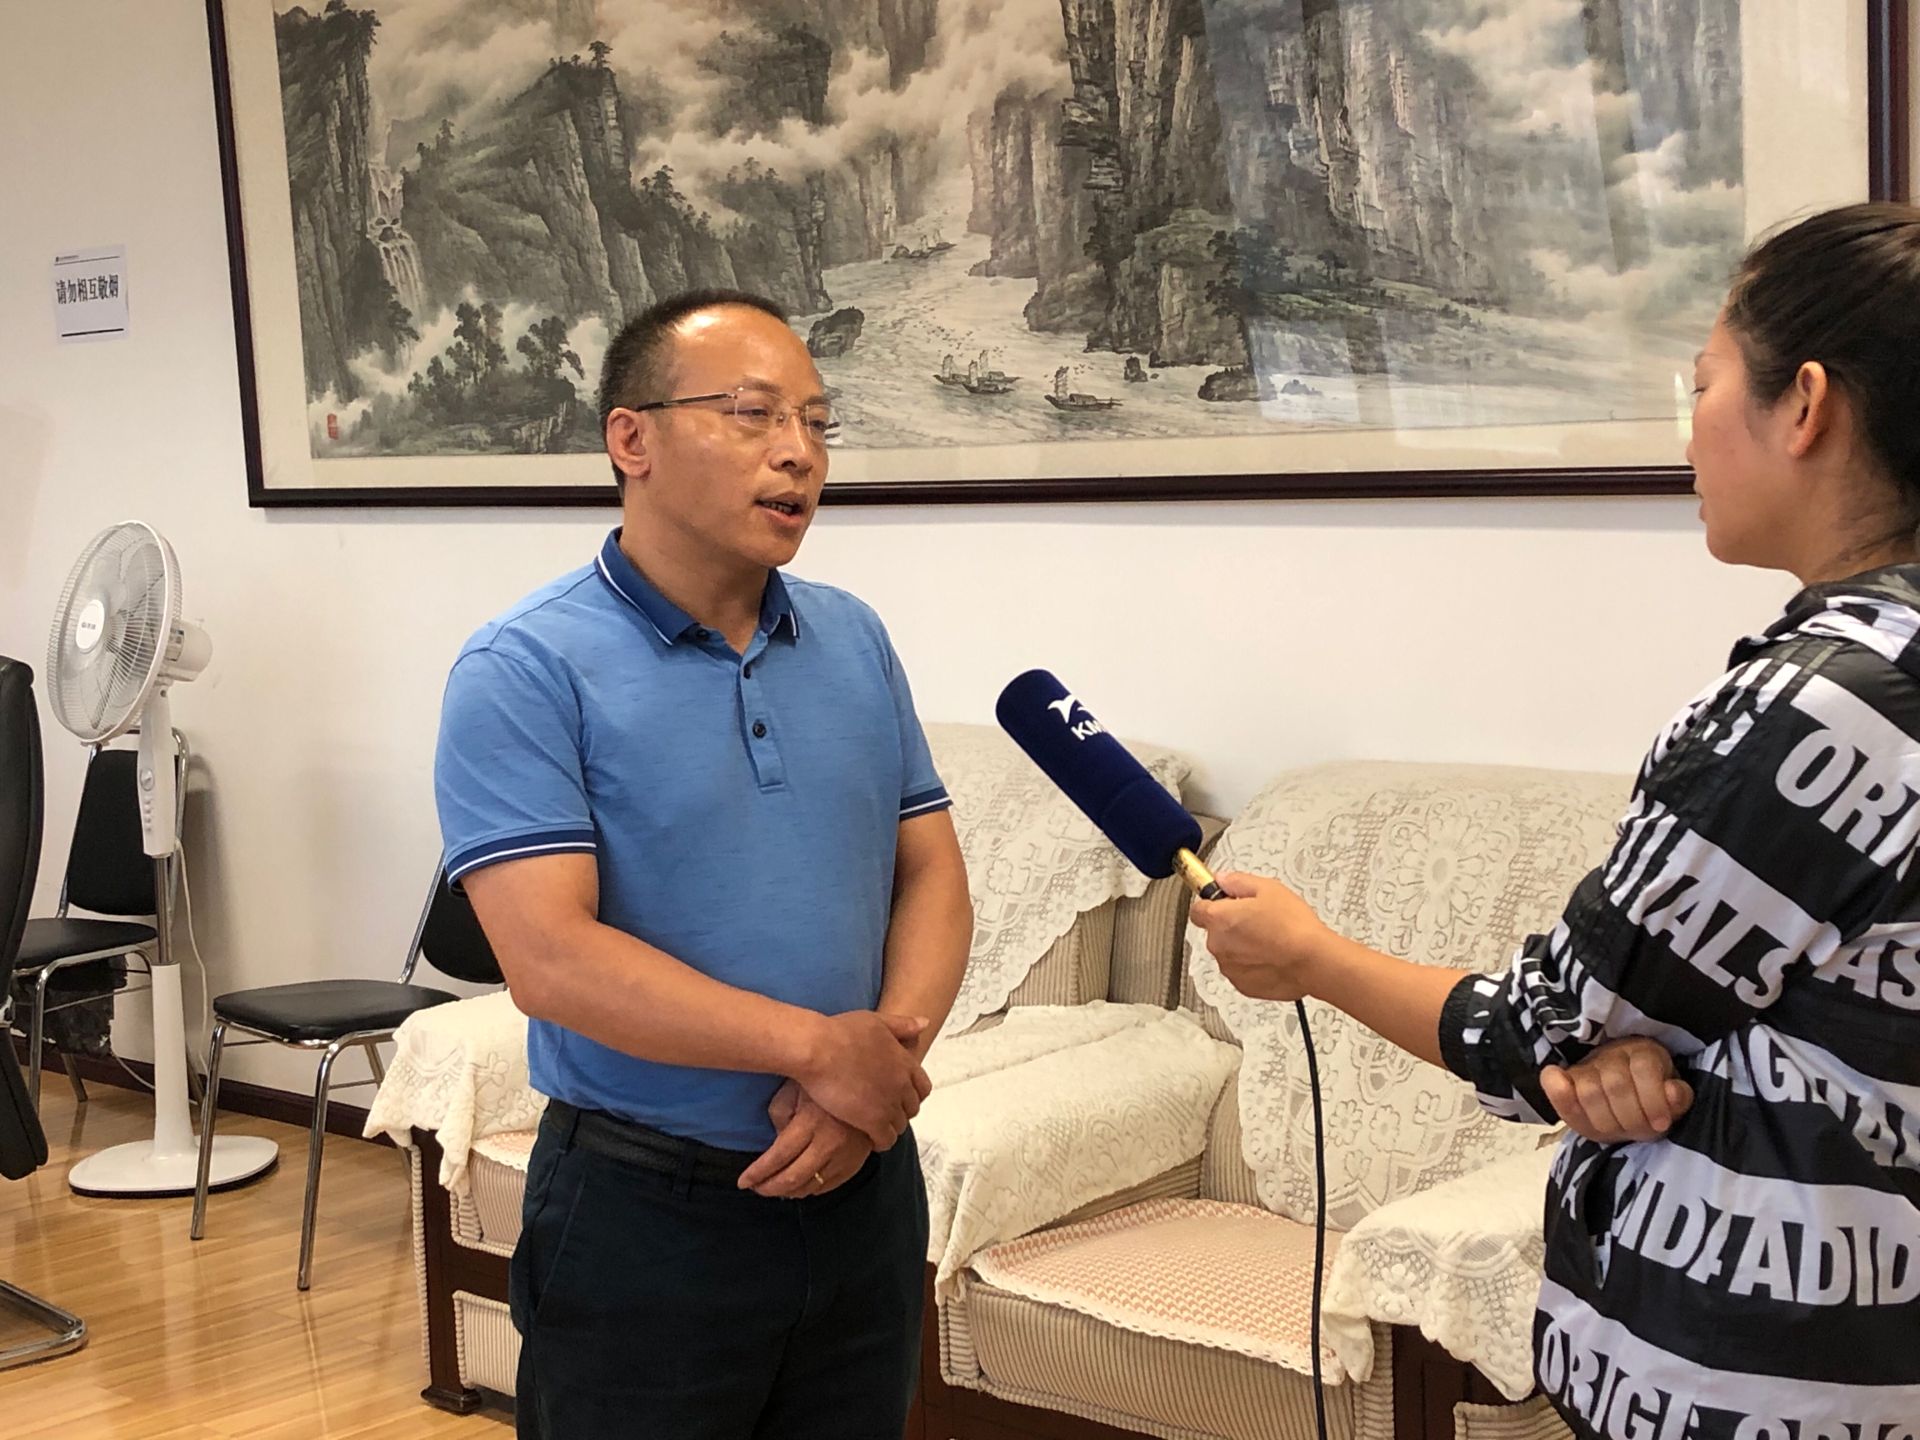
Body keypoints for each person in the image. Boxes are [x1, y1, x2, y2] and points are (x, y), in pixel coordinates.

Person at [1191, 204, 1920, 1438]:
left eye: (1702, 383)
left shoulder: (1816, 709)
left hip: (1764, 1380)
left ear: (1805, 405)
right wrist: (1638, 1056)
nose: (1687, 429)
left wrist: (1311, 956)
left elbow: (1540, 1026)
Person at [434, 289, 973, 1439]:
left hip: (865, 1195)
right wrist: (817, 1052)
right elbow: (550, 960)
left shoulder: (854, 637)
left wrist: (880, 1067)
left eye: (818, 422)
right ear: (631, 439)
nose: (799, 452)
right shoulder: (524, 668)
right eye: (753, 413)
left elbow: (929, 873)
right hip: (647, 1214)